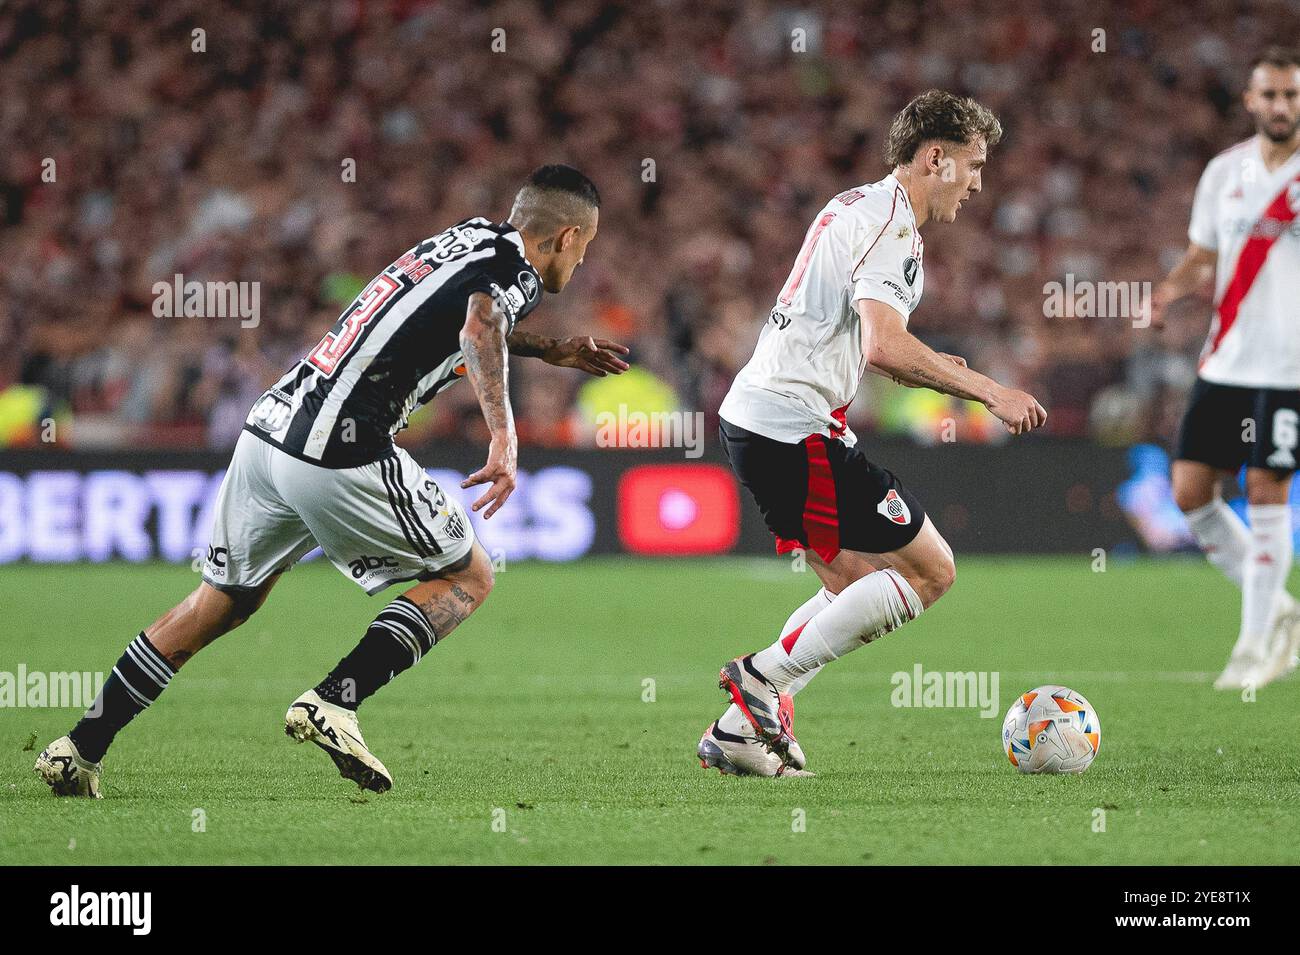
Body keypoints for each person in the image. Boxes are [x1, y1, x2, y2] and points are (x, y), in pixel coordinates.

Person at [36, 165, 629, 797]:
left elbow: (456, 320)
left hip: (271, 428)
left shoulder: (470, 237)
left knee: (216, 604)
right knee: (470, 574)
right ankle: (334, 701)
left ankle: (79, 747)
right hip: (339, 446)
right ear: (567, 237)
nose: (580, 262)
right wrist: (504, 435)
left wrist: (550, 349)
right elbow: (481, 322)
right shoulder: (519, 273)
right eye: (585, 249)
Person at [699, 91, 1047, 777]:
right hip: (794, 427)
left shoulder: (859, 205)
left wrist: (940, 368)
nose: (979, 183)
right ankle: (760, 678)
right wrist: (990, 391)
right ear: (935, 157)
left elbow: (871, 342)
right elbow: (884, 346)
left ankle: (739, 732)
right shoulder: (892, 227)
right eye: (973, 166)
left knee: (853, 584)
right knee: (930, 570)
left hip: (767, 419)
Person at [1152, 47, 1300, 690]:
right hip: (1227, 358)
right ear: (1250, 101)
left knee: (1267, 488)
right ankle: (1283, 611)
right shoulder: (1224, 173)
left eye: (1292, 95)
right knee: (1191, 492)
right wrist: (1164, 291)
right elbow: (1202, 257)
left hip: (1291, 368)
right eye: (1270, 95)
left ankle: (1251, 644)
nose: (1281, 107)